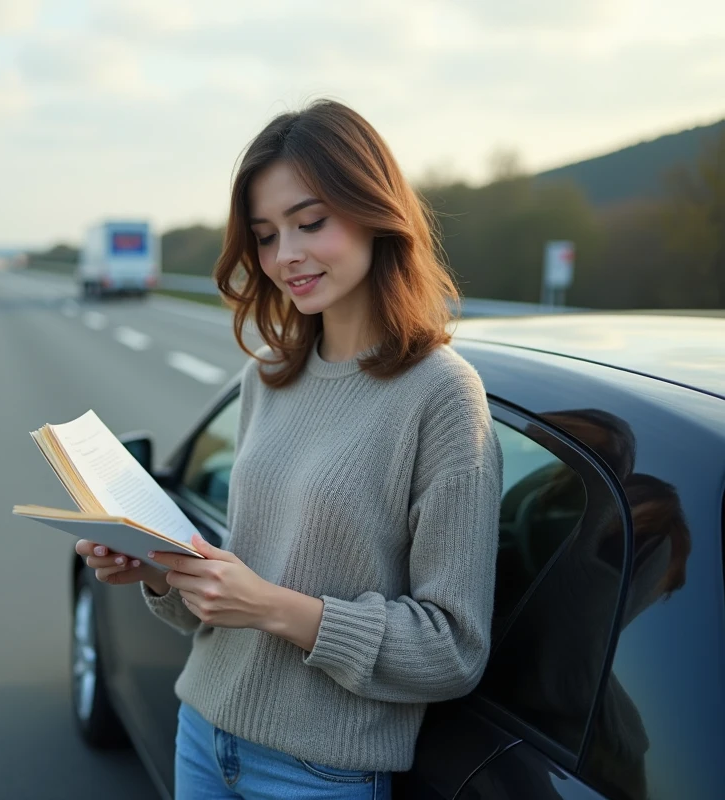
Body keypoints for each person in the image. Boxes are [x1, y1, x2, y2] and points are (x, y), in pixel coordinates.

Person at [75, 99, 503, 800]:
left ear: (375, 212)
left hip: (319, 770)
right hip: (202, 729)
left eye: (310, 223)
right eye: (267, 236)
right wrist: (156, 571)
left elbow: (452, 649)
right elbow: (233, 591)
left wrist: (273, 607)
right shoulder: (269, 375)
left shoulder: (442, 395)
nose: (285, 257)